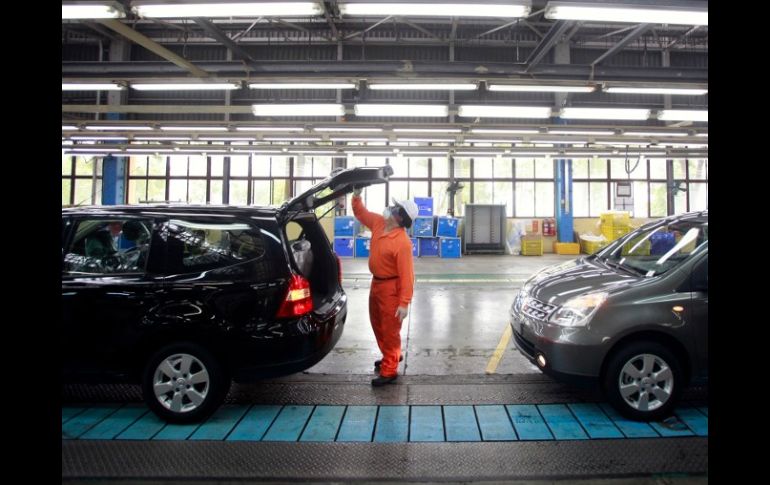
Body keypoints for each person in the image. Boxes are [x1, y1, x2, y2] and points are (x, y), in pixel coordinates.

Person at [351, 187, 418, 387]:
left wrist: (404, 303)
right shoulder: (379, 224)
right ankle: (391, 354)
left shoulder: (402, 243)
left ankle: (389, 370)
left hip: (391, 289)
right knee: (378, 324)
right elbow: (361, 213)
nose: (390, 208)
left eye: (395, 207)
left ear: (400, 217)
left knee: (390, 329)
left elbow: (407, 275)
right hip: (376, 284)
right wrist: (356, 196)